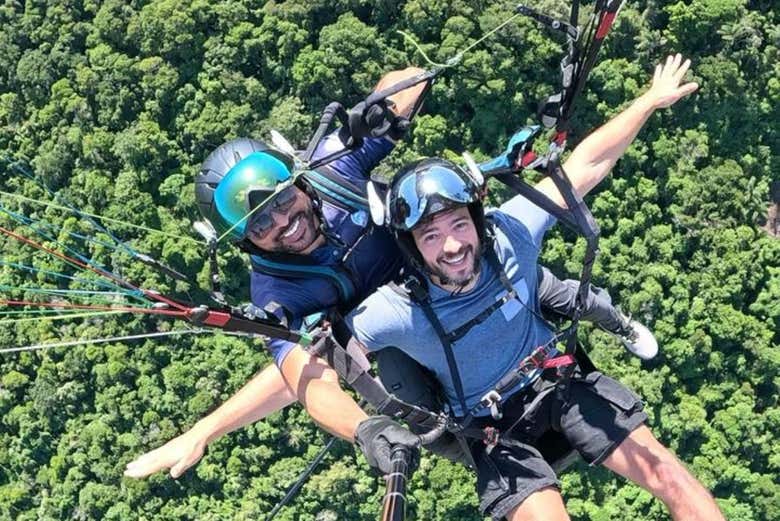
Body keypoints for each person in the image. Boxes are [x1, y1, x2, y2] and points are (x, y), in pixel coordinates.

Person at [124, 66, 654, 479]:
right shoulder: (279, 293)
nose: (285, 224)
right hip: (405, 329)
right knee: (411, 396)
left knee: (542, 282)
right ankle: (493, 448)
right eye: (261, 225)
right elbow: (304, 379)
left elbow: (405, 82)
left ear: (299, 183)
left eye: (284, 202)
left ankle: (615, 325)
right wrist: (365, 429)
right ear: (243, 242)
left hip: (455, 262)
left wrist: (376, 110)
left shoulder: (334, 169)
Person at [343, 55, 724, 520]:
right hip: (491, 430)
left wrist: (648, 100)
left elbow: (587, 165)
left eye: (458, 224)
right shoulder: (399, 310)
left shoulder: (510, 234)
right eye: (430, 235)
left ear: (477, 222)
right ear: (410, 247)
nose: (451, 246)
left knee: (669, 474)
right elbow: (314, 355)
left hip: (556, 380)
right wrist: (362, 424)